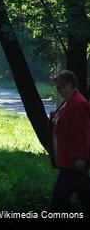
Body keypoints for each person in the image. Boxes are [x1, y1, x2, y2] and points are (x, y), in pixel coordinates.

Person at [48, 70, 90, 211]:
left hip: (73, 160)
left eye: (61, 87)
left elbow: (83, 132)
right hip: (68, 159)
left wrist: (81, 157)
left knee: (58, 201)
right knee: (84, 193)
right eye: (57, 87)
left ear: (70, 85)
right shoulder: (68, 102)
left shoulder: (79, 104)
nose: (58, 90)